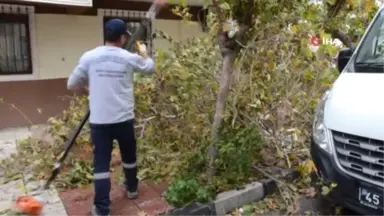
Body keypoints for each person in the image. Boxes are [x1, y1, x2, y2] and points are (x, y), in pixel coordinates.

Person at [67, 18, 156, 216]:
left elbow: (72, 84)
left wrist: (86, 89)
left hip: (100, 121)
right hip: (123, 119)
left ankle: (102, 208)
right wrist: (145, 55)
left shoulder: (90, 57)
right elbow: (150, 69)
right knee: (129, 156)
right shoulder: (127, 57)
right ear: (123, 37)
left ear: (106, 36)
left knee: (101, 164)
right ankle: (132, 189)